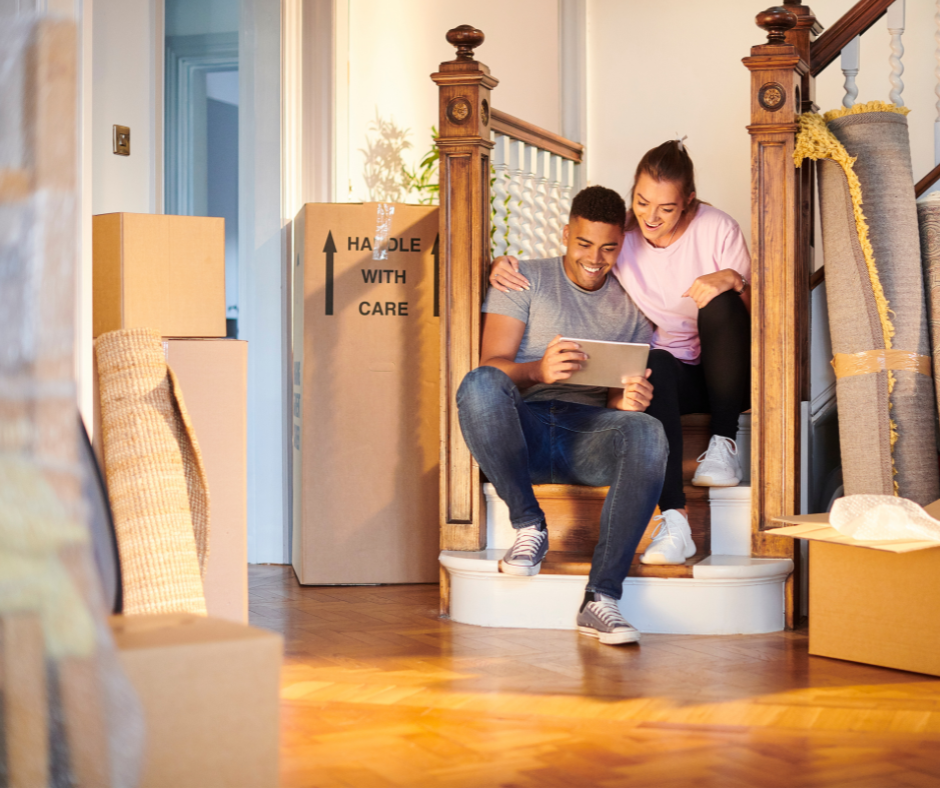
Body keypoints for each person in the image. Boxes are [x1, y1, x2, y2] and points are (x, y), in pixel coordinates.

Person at [490, 140, 751, 566]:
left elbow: (755, 319)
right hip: (676, 375)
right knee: (656, 364)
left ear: (687, 202)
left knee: (719, 301)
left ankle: (723, 441)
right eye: (642, 202)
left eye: (666, 208)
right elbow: (579, 253)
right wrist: (495, 263)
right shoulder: (624, 238)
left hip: (730, 370)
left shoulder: (718, 229)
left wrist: (733, 279)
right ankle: (676, 521)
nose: (651, 217)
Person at [457, 185, 667, 647]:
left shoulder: (632, 305)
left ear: (621, 245)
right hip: (521, 431)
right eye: (584, 244)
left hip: (584, 436)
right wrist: (537, 370)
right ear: (565, 234)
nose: (595, 258)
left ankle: (601, 599)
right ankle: (529, 524)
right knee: (478, 384)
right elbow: (492, 365)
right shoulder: (524, 279)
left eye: (609, 247)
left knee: (648, 431)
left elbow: (616, 403)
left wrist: (626, 403)